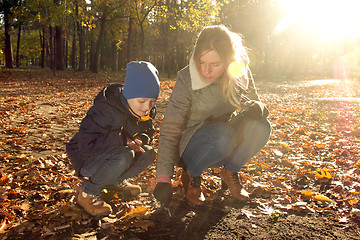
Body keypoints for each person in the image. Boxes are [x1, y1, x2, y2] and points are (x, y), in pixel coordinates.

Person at [153, 25, 271, 206]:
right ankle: (192, 175)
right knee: (220, 135)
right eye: (202, 62)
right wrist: (163, 178)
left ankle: (230, 172)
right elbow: (170, 128)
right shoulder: (187, 78)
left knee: (262, 126)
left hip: (223, 139)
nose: (206, 71)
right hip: (193, 144)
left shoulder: (239, 72)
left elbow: (254, 101)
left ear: (228, 61)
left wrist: (258, 108)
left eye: (215, 65)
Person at [66, 61, 160, 217]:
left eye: (152, 102)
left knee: (148, 153)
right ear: (129, 94)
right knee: (125, 155)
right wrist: (124, 141)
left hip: (115, 154)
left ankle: (113, 182)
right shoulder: (105, 109)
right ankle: (86, 194)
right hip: (87, 158)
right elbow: (86, 145)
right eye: (142, 101)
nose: (146, 107)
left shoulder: (145, 110)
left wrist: (142, 139)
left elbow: (148, 130)